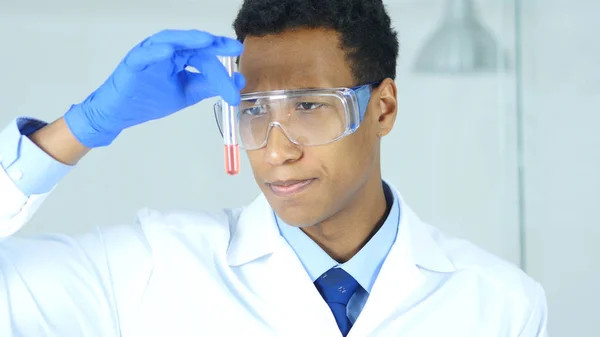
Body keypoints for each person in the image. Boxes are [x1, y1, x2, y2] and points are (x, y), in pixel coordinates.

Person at [0, 0, 548, 336]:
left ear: (383, 108)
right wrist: (79, 128)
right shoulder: (149, 269)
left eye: (308, 106)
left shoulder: (499, 305)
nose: (276, 149)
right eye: (253, 110)